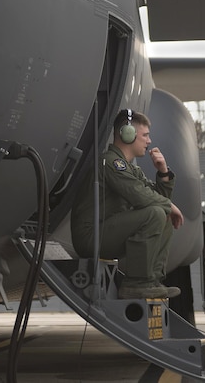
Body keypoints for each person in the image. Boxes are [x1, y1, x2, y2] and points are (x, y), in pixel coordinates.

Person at [70, 109, 185, 299]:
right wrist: (170, 206)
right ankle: (137, 284)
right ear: (127, 134)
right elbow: (140, 196)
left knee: (161, 213)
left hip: (107, 231)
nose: (149, 141)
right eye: (145, 135)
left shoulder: (129, 167)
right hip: (91, 237)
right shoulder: (111, 163)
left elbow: (156, 196)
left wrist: (163, 173)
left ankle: (151, 281)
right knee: (156, 212)